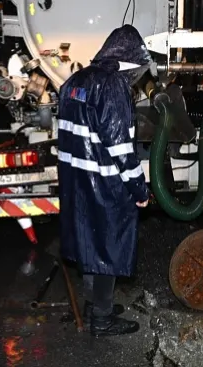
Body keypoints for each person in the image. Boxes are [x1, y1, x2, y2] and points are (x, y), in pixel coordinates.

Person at [57, 25, 152, 337]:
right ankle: (102, 317)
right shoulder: (112, 85)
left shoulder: (75, 80)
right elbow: (120, 146)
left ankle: (94, 304)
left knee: (88, 245)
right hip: (104, 184)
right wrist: (139, 187)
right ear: (129, 59)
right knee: (107, 249)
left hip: (76, 181)